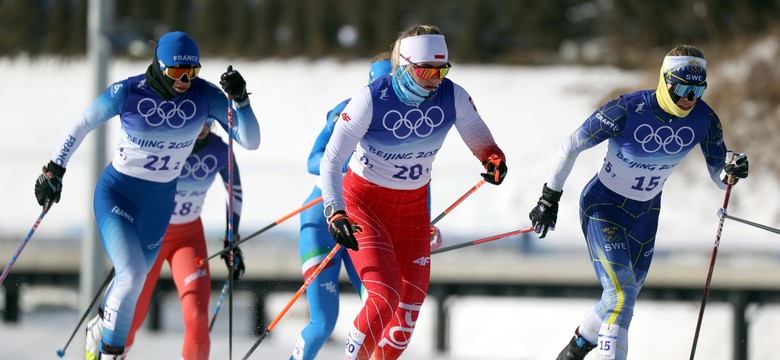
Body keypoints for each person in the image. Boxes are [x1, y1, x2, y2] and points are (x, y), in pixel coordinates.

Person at [32, 31, 260, 359]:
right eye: (176, 73)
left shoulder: (206, 97)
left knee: (133, 284)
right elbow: (82, 123)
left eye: (192, 72)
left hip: (159, 205)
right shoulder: (129, 92)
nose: (184, 81)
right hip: (118, 194)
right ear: (159, 65)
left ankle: (101, 326)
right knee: (133, 274)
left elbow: (250, 141)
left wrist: (241, 101)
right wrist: (55, 169)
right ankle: (111, 351)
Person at [527, 45, 749, 360]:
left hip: (646, 213)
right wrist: (550, 197)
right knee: (622, 295)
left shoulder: (705, 120)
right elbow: (571, 144)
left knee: (615, 299)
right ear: (665, 80)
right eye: (682, 87)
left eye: (698, 89)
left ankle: (571, 354)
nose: (689, 97)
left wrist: (732, 168)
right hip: (604, 206)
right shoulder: (627, 110)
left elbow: (719, 176)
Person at [320, 24, 508, 360]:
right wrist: (335, 211)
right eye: (426, 70)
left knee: (405, 318)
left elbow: (479, 136)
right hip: (365, 204)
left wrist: (492, 158)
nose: (435, 79)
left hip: (412, 211)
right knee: (383, 296)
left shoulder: (453, 96)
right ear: (405, 65)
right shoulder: (371, 98)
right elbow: (332, 159)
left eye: (441, 70)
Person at [87, 120, 245, 360]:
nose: (202, 127)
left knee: (197, 317)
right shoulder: (167, 143)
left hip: (188, 238)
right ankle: (102, 346)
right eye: (198, 120)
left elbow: (234, 191)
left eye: (208, 121)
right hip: (151, 235)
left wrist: (231, 237)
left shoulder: (220, 150)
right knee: (132, 316)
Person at [290, 53, 392, 360]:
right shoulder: (348, 111)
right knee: (323, 322)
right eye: (381, 87)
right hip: (323, 221)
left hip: (364, 223)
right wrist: (349, 169)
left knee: (383, 312)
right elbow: (313, 160)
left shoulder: (404, 121)